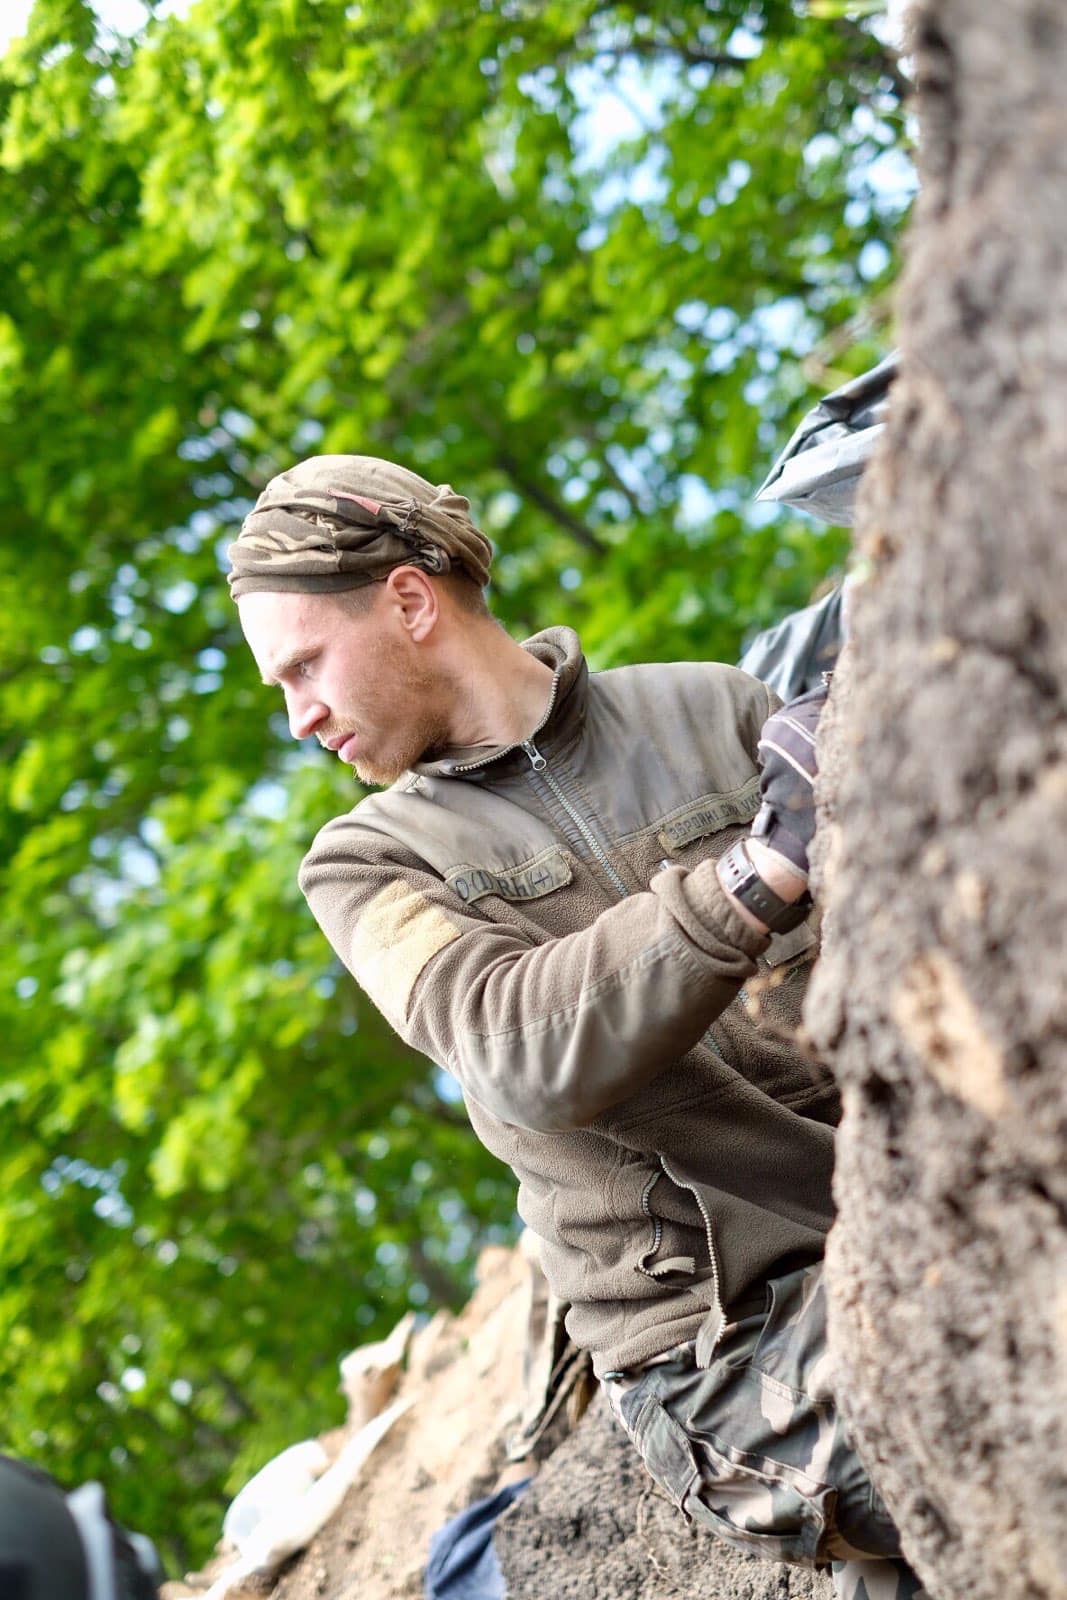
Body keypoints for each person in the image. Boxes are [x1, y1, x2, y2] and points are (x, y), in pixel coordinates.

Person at [228, 454, 925, 1599]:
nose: (299, 717)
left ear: (409, 600)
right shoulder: (367, 864)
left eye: (303, 665)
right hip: (725, 1353)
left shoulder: (712, 710)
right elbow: (516, 1047)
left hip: (910, 1226)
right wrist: (756, 872)